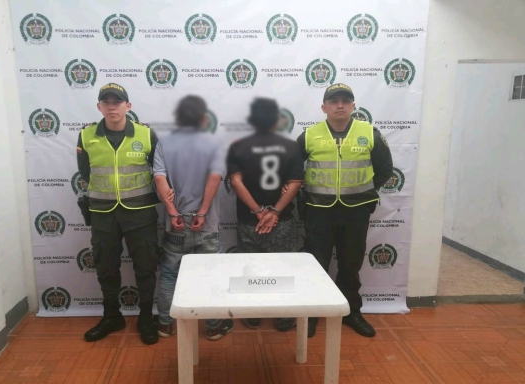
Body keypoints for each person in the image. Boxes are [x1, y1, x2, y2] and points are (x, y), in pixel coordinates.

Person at [296, 83, 393, 338]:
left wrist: (363, 191)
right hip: (319, 210)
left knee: (351, 263)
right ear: (324, 107)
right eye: (334, 101)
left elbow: (385, 169)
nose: (340, 105)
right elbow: (294, 171)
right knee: (316, 263)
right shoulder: (309, 135)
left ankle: (351, 312)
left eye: (345, 101)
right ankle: (312, 313)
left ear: (353, 105)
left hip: (356, 211)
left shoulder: (369, 133)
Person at [77, 83, 171, 344]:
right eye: (106, 102)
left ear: (128, 106)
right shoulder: (86, 136)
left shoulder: (146, 134)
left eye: (117, 102)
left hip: (140, 213)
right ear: (99, 107)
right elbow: (85, 172)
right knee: (106, 267)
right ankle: (111, 316)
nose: (112, 107)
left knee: (145, 267)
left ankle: (145, 317)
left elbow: (160, 171)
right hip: (102, 213)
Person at [153, 95, 234, 341]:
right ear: (203, 118)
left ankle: (165, 324)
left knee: (169, 274)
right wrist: (202, 212)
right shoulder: (215, 143)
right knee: (210, 276)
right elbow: (215, 177)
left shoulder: (164, 143)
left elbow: (159, 178)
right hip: (206, 225)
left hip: (176, 224)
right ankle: (214, 327)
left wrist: (173, 212)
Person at [225, 98, 304, 332]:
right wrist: (275, 211)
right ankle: (284, 316)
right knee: (284, 269)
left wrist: (259, 212)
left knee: (250, 269)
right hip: (282, 220)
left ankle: (253, 314)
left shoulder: (237, 146)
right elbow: (295, 182)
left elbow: (235, 181)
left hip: (251, 220)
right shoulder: (291, 146)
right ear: (277, 120)